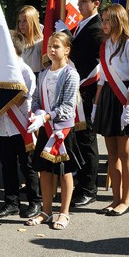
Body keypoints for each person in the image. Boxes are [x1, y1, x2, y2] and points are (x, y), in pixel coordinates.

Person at [27, 32, 82, 229]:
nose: (51, 49)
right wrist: (38, 112)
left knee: (64, 171)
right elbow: (34, 100)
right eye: (49, 46)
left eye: (56, 46)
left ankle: (64, 212)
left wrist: (47, 116)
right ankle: (46, 211)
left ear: (67, 50)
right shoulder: (43, 74)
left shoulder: (70, 74)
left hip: (62, 130)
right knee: (45, 169)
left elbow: (68, 106)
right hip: (46, 127)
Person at [93, 4, 129, 216]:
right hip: (107, 99)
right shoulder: (105, 46)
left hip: (125, 99)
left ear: (117, 21)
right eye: (102, 20)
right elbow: (103, 79)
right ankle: (114, 199)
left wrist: (128, 107)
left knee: (125, 154)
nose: (103, 24)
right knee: (111, 154)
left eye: (107, 20)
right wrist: (96, 106)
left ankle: (125, 200)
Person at [0, 30, 41, 220]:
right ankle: (11, 202)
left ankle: (35, 202)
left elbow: (20, 99)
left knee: (27, 166)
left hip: (21, 126)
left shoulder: (25, 71)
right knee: (7, 165)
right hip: (4, 127)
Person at [66, 0, 103, 208]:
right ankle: (81, 181)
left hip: (86, 88)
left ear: (95, 4)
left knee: (87, 139)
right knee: (78, 139)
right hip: (77, 88)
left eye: (83, 1)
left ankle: (90, 187)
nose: (78, 4)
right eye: (79, 0)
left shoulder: (97, 27)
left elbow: (93, 61)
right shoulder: (82, 24)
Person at [17, 5, 44, 77]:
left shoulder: (41, 42)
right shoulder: (17, 41)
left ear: (33, 21)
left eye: (25, 21)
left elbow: (46, 67)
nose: (21, 24)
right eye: (20, 21)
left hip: (36, 79)